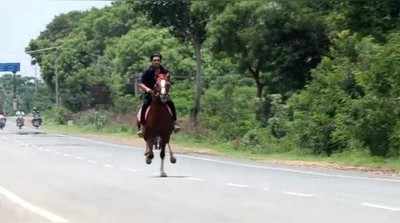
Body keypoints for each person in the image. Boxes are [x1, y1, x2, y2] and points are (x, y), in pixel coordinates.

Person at [137, 53, 180, 137]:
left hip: (162, 94)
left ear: (160, 61)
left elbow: (168, 82)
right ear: (151, 61)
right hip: (150, 94)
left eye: (158, 60)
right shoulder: (147, 72)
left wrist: (166, 87)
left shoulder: (165, 71)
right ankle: (142, 127)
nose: (156, 62)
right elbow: (140, 83)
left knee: (171, 104)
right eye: (155, 60)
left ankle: (174, 123)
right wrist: (147, 89)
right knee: (145, 106)